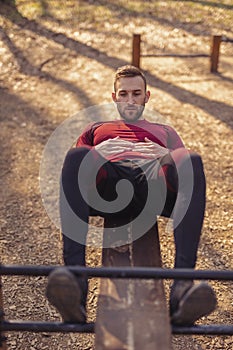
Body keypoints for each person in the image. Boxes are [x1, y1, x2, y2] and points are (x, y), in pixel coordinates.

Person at [46, 65, 217, 326]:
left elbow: (180, 169)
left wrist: (161, 155)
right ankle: (75, 284)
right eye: (123, 94)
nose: (130, 100)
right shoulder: (96, 128)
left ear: (147, 96)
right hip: (108, 182)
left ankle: (183, 288)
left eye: (136, 94)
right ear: (114, 97)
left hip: (152, 182)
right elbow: (76, 171)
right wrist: (100, 150)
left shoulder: (165, 132)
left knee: (191, 160)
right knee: (76, 156)